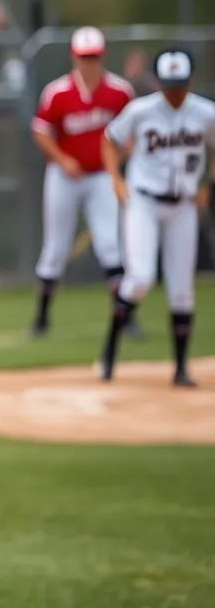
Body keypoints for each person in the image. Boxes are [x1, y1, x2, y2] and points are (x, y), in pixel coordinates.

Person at [99, 48, 215, 386]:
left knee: (182, 289)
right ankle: (109, 350)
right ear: (157, 82)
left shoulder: (205, 113)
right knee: (141, 278)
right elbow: (109, 139)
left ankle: (180, 368)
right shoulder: (141, 110)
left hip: (183, 205)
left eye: (179, 84)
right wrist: (116, 180)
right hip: (144, 203)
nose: (174, 91)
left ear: (190, 81)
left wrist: (209, 184)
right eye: (168, 84)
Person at [28, 27, 139, 338]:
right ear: (73, 57)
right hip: (64, 176)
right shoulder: (58, 92)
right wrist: (61, 159)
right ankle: (41, 318)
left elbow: (131, 132)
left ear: (101, 57)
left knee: (109, 245)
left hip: (103, 175)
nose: (88, 63)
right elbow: (40, 130)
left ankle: (124, 317)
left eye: (93, 57)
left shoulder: (119, 91)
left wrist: (121, 156)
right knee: (55, 247)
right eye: (83, 57)